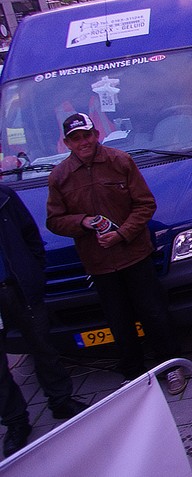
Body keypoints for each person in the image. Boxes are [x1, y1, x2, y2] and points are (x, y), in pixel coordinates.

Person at [45, 113, 189, 394]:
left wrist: (122, 233)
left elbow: (145, 205)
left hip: (135, 255)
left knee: (154, 314)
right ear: (67, 143)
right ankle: (133, 375)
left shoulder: (120, 161)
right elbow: (54, 221)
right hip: (99, 264)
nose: (83, 142)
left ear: (96, 135)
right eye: (76, 138)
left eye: (87, 135)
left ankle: (172, 367)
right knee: (119, 322)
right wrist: (83, 222)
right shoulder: (59, 177)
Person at [0, 184, 87, 456]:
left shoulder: (4, 196)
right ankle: (16, 423)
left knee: (43, 347)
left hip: (19, 288)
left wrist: (34, 273)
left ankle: (61, 401)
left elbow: (30, 235)